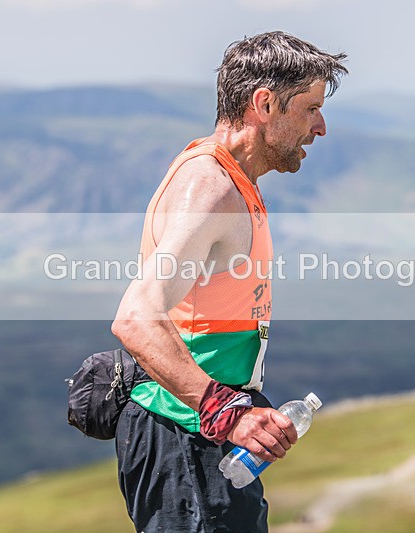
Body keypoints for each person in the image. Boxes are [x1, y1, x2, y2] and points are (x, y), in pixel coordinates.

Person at [111, 31, 347, 532]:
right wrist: (228, 413)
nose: (321, 127)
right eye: (310, 108)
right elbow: (136, 317)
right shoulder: (212, 188)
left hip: (205, 434)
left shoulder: (234, 179)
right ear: (264, 103)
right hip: (185, 433)